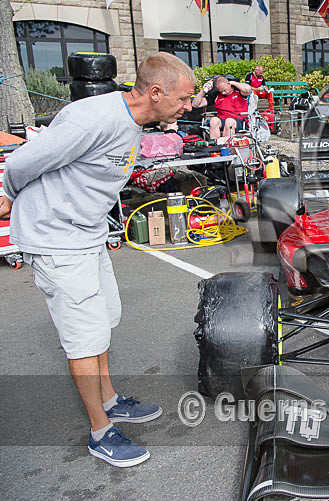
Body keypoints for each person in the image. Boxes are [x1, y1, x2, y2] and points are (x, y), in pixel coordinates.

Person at [0, 52, 195, 466]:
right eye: (183, 98)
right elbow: (21, 163)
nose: (188, 105)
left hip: (86, 234)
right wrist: (11, 198)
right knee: (84, 338)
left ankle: (109, 399)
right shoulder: (92, 117)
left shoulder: (134, 124)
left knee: (103, 322)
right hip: (56, 238)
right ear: (156, 93)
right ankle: (100, 431)